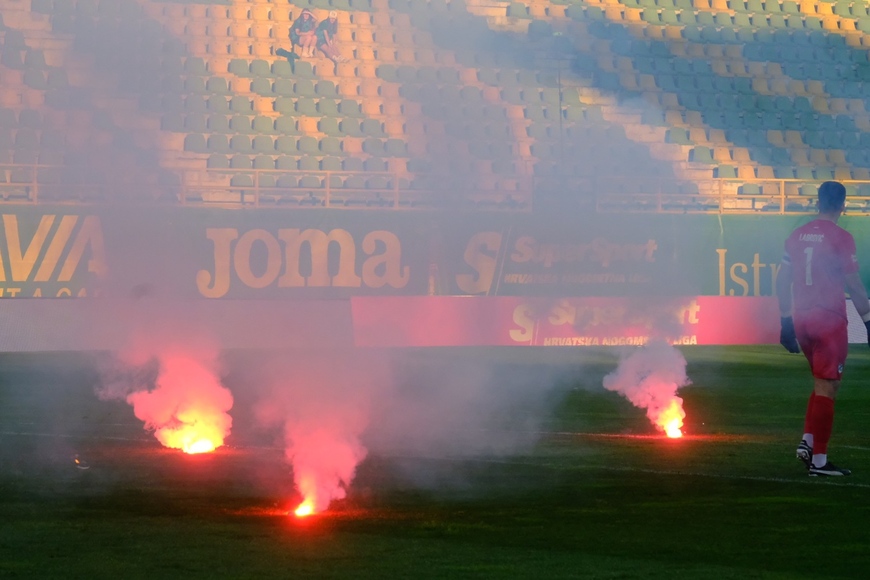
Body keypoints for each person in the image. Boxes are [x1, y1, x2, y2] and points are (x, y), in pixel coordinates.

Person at [776, 181, 870, 477]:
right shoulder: (841, 238)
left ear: (817, 202)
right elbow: (854, 285)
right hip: (828, 320)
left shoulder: (796, 235)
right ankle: (819, 462)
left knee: (823, 383)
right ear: (843, 205)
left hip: (802, 319)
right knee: (828, 387)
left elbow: (781, 280)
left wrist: (785, 320)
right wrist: (867, 322)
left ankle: (807, 441)